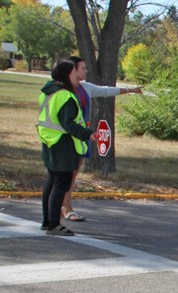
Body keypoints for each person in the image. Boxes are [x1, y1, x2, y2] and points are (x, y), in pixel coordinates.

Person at [60, 55, 144, 222]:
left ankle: (63, 206)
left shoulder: (86, 88)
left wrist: (129, 90)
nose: (86, 71)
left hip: (82, 137)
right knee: (65, 175)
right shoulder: (61, 91)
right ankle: (65, 208)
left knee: (73, 174)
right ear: (73, 70)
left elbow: (106, 90)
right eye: (82, 68)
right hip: (65, 138)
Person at [37, 59, 99, 236]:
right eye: (74, 72)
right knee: (60, 184)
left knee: (51, 182)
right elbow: (69, 124)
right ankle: (54, 224)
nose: (78, 76)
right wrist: (88, 134)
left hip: (49, 141)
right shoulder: (65, 96)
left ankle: (47, 222)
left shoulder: (48, 92)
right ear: (66, 75)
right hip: (62, 144)